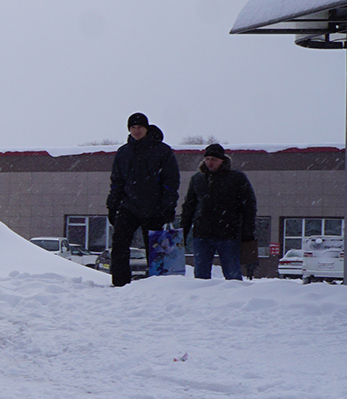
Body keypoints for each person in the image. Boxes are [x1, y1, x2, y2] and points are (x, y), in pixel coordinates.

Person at [105, 112, 179, 287]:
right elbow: (117, 181)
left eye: (139, 127)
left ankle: (157, 284)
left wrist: (168, 207)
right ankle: (120, 284)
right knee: (119, 246)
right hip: (129, 206)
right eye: (133, 127)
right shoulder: (123, 152)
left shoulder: (162, 151)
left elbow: (171, 180)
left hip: (154, 208)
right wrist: (112, 204)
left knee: (156, 250)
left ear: (147, 128)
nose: (136, 131)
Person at [179, 143, 256, 281]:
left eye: (214, 159)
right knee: (200, 277)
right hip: (202, 234)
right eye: (207, 159)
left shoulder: (237, 178)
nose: (210, 162)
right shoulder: (197, 179)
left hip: (228, 234)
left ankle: (234, 300)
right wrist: (183, 231)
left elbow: (249, 207)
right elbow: (189, 207)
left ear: (222, 160)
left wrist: (247, 232)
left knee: (232, 275)